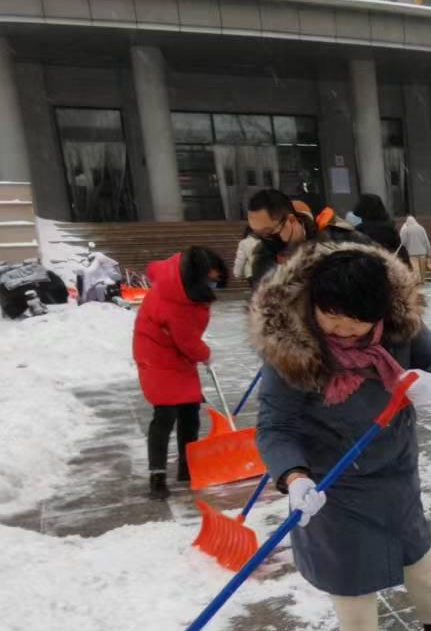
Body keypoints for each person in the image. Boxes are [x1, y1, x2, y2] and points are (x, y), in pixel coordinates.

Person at [251, 241, 431, 631]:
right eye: (331, 315)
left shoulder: (399, 325)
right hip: (334, 478)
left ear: (378, 311)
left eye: (354, 320)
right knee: (350, 568)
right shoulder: (293, 348)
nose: (341, 328)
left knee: (416, 548)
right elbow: (275, 426)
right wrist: (294, 478)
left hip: (395, 463)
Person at [133, 245, 227, 497]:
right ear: (196, 278)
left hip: (175, 352)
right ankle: (157, 476)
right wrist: (206, 354)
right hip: (156, 355)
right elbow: (187, 341)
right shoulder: (177, 302)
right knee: (165, 413)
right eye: (210, 283)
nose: (213, 287)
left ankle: (188, 467)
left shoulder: (181, 282)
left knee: (190, 410)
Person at [246, 188, 365, 289]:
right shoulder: (263, 257)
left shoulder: (341, 241)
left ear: (291, 220)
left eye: (268, 232)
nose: (265, 240)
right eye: (258, 234)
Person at [398, 215, 431, 280]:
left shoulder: (406, 229)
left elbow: (403, 242)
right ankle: (423, 281)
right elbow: (426, 241)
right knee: (423, 270)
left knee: (416, 269)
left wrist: (404, 250)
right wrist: (429, 253)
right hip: (422, 253)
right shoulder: (421, 228)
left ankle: (418, 281)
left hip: (412, 253)